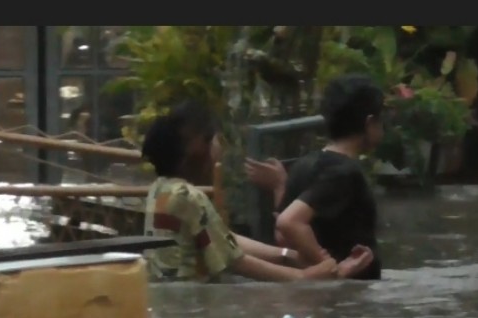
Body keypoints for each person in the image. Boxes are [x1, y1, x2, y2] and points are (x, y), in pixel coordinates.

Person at [140, 100, 374, 284]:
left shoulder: (161, 189)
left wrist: (289, 256)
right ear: (201, 145)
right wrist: (305, 278)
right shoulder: (189, 197)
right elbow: (237, 262)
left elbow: (223, 237)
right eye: (216, 139)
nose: (220, 147)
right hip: (190, 306)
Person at [245, 74, 385, 280]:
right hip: (345, 295)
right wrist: (326, 265)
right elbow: (288, 222)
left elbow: (282, 237)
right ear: (370, 122)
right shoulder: (345, 173)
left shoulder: (304, 165)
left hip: (312, 293)